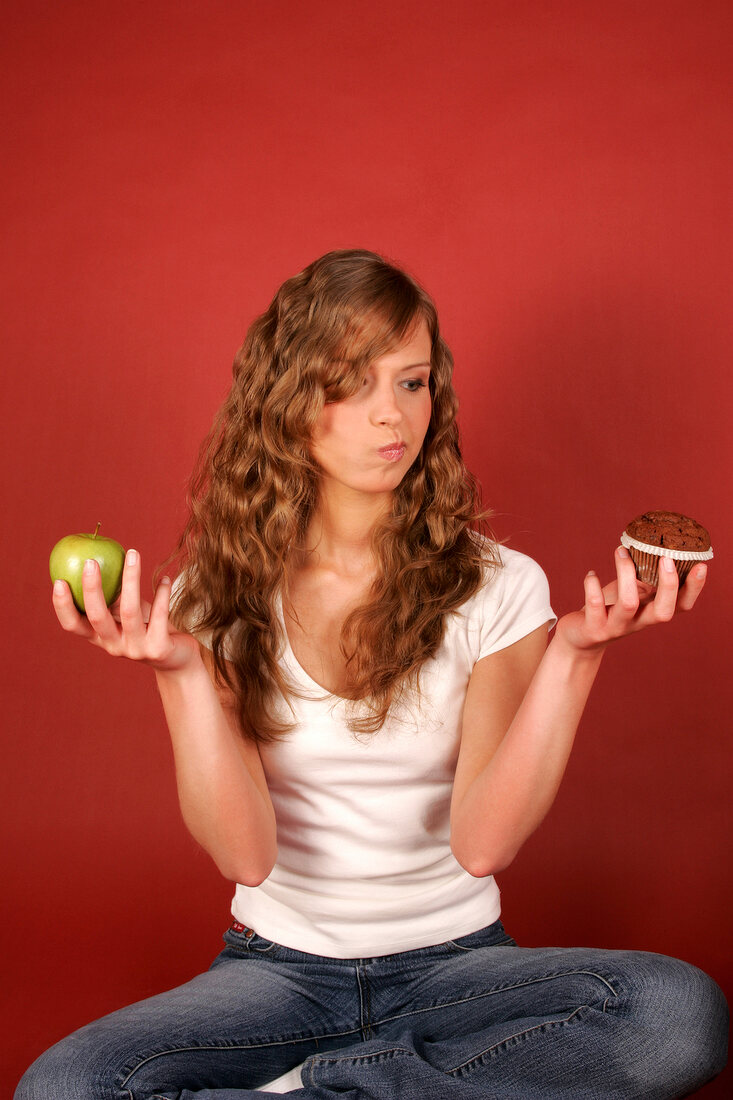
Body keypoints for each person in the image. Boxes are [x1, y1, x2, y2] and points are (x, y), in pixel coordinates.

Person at [18, 250, 727, 1098]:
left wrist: (575, 656)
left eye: (412, 382)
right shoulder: (213, 591)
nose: (391, 416)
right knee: (65, 1086)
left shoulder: (502, 585)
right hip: (275, 977)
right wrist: (177, 671)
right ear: (290, 398)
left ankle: (314, 1090)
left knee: (676, 1012)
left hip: (456, 974)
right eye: (353, 382)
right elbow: (244, 858)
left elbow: (482, 845)